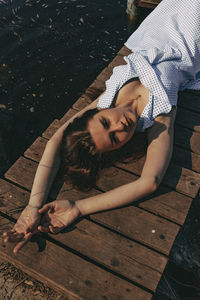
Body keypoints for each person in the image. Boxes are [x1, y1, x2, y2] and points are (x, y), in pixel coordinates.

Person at [4, 0, 200, 254]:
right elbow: (149, 181)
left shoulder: (110, 95)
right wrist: (79, 207)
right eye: (116, 138)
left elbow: (56, 140)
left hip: (166, 20)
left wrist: (33, 205)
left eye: (106, 123)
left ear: (100, 112)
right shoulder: (159, 115)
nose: (119, 125)